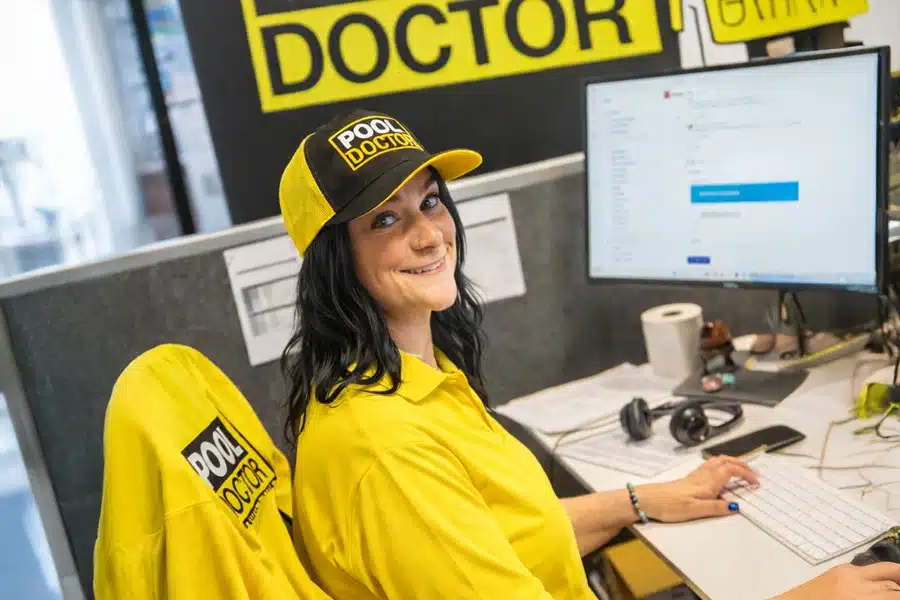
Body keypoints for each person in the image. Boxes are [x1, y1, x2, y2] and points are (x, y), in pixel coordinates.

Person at [277, 109, 900, 599]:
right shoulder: (383, 450)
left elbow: (503, 538)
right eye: (384, 221)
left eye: (430, 201)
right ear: (336, 260)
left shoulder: (413, 380)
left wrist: (642, 500)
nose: (427, 233)